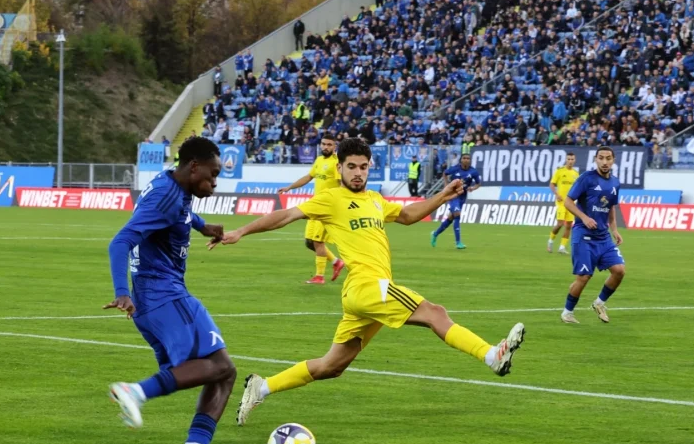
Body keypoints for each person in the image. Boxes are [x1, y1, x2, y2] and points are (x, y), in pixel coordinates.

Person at [213, 138, 525, 425]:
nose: (358, 172)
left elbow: (407, 215)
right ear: (339, 168)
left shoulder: (375, 199)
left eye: (363, 166)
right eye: (351, 166)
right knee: (435, 312)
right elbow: (285, 215)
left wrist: (442, 196)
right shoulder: (331, 198)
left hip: (364, 295)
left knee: (331, 367)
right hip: (366, 286)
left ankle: (261, 387)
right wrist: (242, 231)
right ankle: (491, 355)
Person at [104, 137, 239, 444]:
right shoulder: (167, 195)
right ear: (194, 166)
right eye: (212, 174)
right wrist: (122, 291)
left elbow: (180, 212)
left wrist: (202, 225)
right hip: (163, 295)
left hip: (156, 299)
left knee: (223, 371)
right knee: (220, 366)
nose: (215, 182)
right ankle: (135, 392)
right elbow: (120, 242)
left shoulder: (173, 185)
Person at [558, 146, 625, 324]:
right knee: (584, 277)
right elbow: (568, 201)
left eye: (608, 158)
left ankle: (599, 303)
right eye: (601, 158)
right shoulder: (586, 178)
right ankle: (567, 312)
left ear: (613, 160)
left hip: (603, 237)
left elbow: (611, 207)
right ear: (596, 159)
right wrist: (584, 217)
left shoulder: (615, 182)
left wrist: (614, 229)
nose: (604, 162)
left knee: (619, 271)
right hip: (584, 235)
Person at [277, 134, 346, 284]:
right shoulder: (319, 160)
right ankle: (336, 262)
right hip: (315, 205)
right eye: (324, 144)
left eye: (329, 144)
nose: (326, 147)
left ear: (335, 146)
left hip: (327, 207)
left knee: (317, 241)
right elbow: (308, 177)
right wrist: (289, 187)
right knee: (309, 242)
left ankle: (319, 277)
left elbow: (342, 184)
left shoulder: (337, 163)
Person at [431, 152, 481, 249]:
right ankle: (458, 242)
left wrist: (472, 188)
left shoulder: (473, 172)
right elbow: (445, 173)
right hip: (453, 195)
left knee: (451, 218)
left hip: (462, 196)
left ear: (470, 160)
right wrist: (446, 185)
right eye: (464, 158)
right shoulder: (455, 169)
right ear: (461, 160)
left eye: (468, 158)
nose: (466, 160)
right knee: (457, 214)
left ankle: (435, 234)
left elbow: (478, 184)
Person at [548, 151, 579, 254]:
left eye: (572, 159)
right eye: (568, 159)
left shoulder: (576, 174)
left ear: (574, 160)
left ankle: (562, 247)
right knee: (560, 223)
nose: (570, 161)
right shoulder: (560, 171)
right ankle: (550, 241)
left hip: (571, 203)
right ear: (566, 160)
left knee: (569, 225)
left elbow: (577, 188)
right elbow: (552, 184)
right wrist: (556, 194)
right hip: (561, 202)